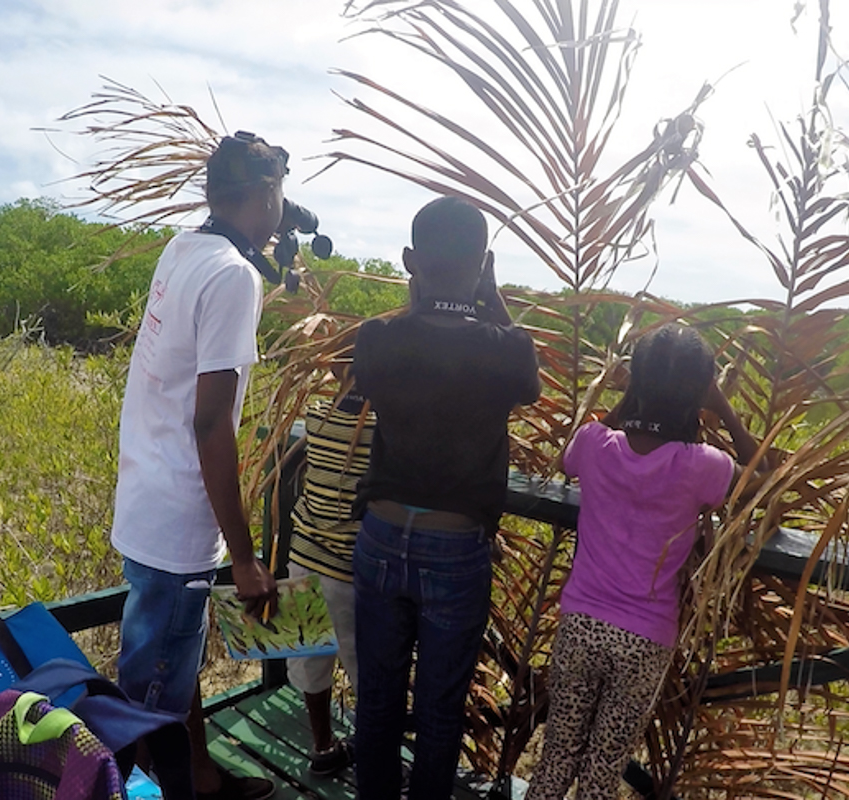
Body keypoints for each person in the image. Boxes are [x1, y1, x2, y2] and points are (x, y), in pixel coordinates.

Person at [111, 131, 287, 800]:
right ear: (266, 196)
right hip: (180, 526)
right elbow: (211, 421)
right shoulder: (235, 276)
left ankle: (200, 778)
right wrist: (243, 557)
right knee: (148, 704)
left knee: (164, 673)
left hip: (145, 502)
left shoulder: (184, 249)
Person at [349, 196, 541, 800]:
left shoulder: (376, 339)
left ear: (410, 261)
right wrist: (488, 293)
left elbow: (405, 346)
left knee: (377, 700)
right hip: (455, 547)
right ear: (482, 265)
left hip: (381, 538)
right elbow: (528, 383)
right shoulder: (507, 349)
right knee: (440, 709)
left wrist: (429, 297)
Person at [524, 323, 764, 800]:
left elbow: (568, 457)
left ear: (636, 382)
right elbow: (765, 478)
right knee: (601, 773)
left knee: (555, 761)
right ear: (699, 391)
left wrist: (629, 396)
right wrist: (724, 408)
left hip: (580, 624)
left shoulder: (595, 444)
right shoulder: (702, 465)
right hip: (645, 639)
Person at [285, 383, 375, 777]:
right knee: (366, 671)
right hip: (348, 571)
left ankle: (323, 746)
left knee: (312, 658)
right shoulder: (382, 426)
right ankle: (376, 762)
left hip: (304, 557)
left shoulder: (317, 415)